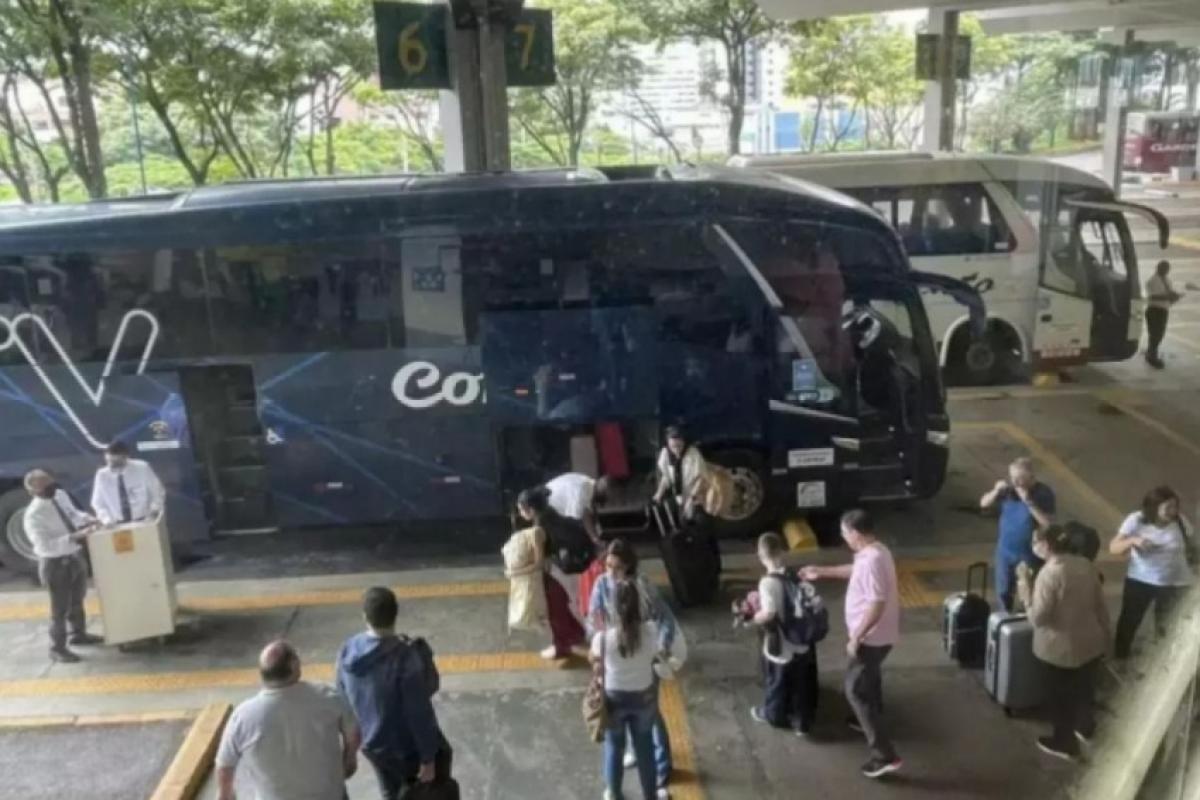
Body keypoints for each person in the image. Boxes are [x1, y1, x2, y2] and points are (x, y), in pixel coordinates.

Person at [802, 509, 902, 780]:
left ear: (856, 533)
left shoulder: (872, 561)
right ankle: (872, 715)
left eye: (845, 532)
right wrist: (820, 572)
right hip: (880, 636)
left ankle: (885, 756)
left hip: (871, 638)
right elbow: (855, 571)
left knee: (854, 690)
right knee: (870, 676)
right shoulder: (876, 551)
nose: (843, 537)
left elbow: (877, 603)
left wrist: (857, 636)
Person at [336, 587, 452, 800]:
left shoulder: (347, 650)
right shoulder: (406, 657)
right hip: (404, 748)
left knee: (389, 789)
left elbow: (341, 698)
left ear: (365, 616)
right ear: (395, 614)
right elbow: (419, 713)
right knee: (417, 791)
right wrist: (428, 758)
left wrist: (351, 742)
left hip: (371, 744)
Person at [216, 640, 361, 800]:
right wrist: (349, 759)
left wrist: (226, 794)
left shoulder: (243, 716)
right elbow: (353, 734)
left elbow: (225, 765)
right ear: (294, 666)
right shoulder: (328, 696)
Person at [588, 539, 678, 794]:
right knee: (643, 730)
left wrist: (661, 648)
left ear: (628, 566)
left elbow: (666, 619)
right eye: (607, 566)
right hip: (636, 675)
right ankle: (648, 781)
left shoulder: (642, 586)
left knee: (626, 736)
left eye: (616, 567)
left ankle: (662, 766)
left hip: (620, 676)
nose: (610, 572)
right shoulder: (602, 584)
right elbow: (593, 617)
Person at [1017, 525, 1110, 761]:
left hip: (1059, 649)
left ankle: (1064, 743)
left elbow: (1038, 618)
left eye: (1035, 542)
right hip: (1090, 642)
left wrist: (1025, 588)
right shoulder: (1085, 564)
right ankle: (1085, 728)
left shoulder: (1050, 574)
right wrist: (1106, 635)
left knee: (1060, 697)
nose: (1033, 546)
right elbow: (1100, 604)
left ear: (1046, 546)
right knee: (1084, 689)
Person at [593, 580, 665, 800]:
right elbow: (656, 655)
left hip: (613, 698)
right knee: (645, 748)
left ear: (612, 606)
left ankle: (614, 793)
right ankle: (650, 795)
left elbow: (594, 660)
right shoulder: (651, 632)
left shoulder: (603, 639)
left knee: (614, 747)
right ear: (639, 605)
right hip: (643, 696)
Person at [22, 469, 102, 663]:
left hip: (74, 556)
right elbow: (44, 546)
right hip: (56, 564)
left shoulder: (60, 495)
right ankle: (57, 648)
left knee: (77, 599)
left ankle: (79, 634)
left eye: (50, 482)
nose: (51, 487)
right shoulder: (33, 516)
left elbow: (73, 514)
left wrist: (88, 519)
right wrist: (75, 536)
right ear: (33, 491)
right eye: (44, 486)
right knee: (59, 609)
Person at [1110, 486, 1195, 661]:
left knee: (1167, 625)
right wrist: (1133, 541)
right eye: (1168, 507)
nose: (1173, 512)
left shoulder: (1180, 520)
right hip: (1140, 581)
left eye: (1175, 506)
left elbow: (1191, 542)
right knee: (1129, 621)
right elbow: (1114, 548)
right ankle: (1121, 657)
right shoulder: (1136, 520)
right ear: (1154, 507)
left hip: (1174, 584)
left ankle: (1162, 660)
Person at [750, 532, 818, 737]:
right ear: (781, 551)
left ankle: (773, 715)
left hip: (782, 643)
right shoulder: (795, 574)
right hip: (803, 639)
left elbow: (770, 613)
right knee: (801, 683)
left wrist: (755, 617)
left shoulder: (767, 582)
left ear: (760, 556)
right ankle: (802, 723)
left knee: (778, 683)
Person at [505, 487, 586, 660]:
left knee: (554, 611)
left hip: (556, 572)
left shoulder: (538, 529)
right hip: (569, 568)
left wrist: (515, 572)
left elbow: (539, 562)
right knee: (561, 606)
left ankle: (561, 647)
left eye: (521, 510)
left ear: (531, 510)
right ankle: (576, 633)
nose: (520, 513)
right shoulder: (550, 515)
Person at [979, 457, 1055, 612]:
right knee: (1003, 591)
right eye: (1012, 477)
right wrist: (996, 491)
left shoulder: (1043, 494)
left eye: (1020, 478)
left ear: (1031, 477)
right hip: (1006, 550)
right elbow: (983, 503)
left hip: (1029, 553)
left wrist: (1028, 502)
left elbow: (1047, 523)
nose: (1015, 482)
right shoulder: (1008, 491)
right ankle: (1005, 617)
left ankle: (1031, 618)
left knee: (1030, 593)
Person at [91, 440, 165, 525]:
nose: (110, 466)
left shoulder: (142, 468)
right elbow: (97, 503)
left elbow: (157, 492)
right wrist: (106, 519)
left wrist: (154, 511)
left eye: (115, 462)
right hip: (116, 524)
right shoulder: (102, 475)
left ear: (125, 457)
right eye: (108, 462)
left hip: (144, 520)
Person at [652, 427, 708, 522]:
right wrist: (658, 494)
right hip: (679, 496)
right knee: (681, 520)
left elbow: (702, 478)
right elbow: (666, 477)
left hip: (696, 495)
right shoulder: (665, 454)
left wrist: (692, 497)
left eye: (679, 446)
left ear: (683, 442)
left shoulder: (693, 453)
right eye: (673, 446)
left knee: (699, 520)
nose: (676, 450)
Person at [545, 472, 610, 545]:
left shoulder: (590, 484)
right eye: (606, 497)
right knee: (578, 537)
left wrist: (598, 530)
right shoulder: (582, 489)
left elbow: (591, 508)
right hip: (545, 508)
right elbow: (585, 516)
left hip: (552, 507)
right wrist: (595, 539)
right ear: (602, 492)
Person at [1144, 259, 1181, 369]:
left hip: (1163, 310)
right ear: (1158, 268)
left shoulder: (1167, 280)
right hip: (1154, 310)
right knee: (1154, 334)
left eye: (1167, 269)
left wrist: (1174, 296)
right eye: (1164, 269)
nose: (1166, 271)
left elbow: (1169, 293)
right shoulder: (1152, 281)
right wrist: (1168, 297)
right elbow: (1152, 296)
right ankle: (1152, 356)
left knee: (1160, 334)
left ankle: (1151, 353)